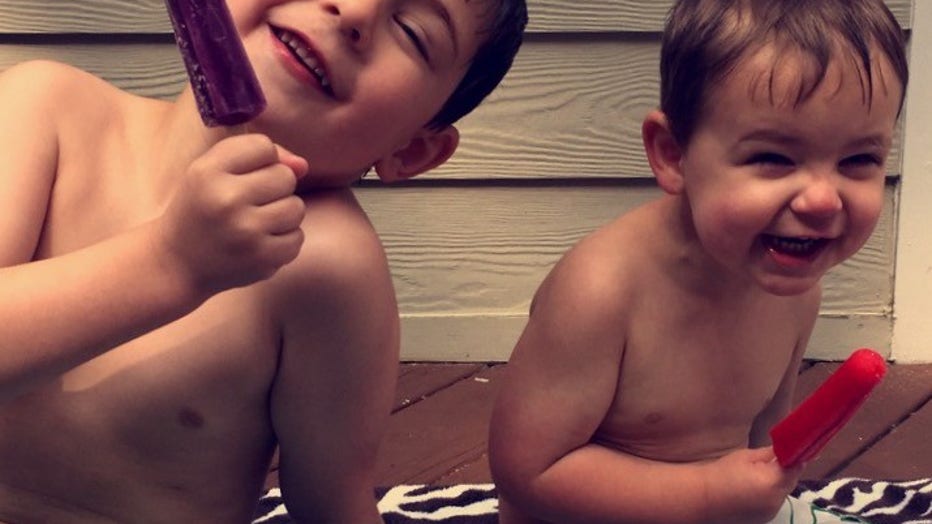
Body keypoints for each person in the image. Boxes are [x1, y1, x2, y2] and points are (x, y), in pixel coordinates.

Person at [0, 0, 526, 522]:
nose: (355, 11)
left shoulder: (327, 263)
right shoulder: (47, 108)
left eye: (412, 32)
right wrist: (171, 263)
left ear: (411, 152)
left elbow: (331, 504)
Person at [488, 0, 907, 522]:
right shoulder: (602, 290)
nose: (822, 199)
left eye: (858, 160)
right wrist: (708, 493)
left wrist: (752, 488)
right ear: (672, 154)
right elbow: (528, 474)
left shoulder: (795, 285)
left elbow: (762, 444)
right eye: (773, 157)